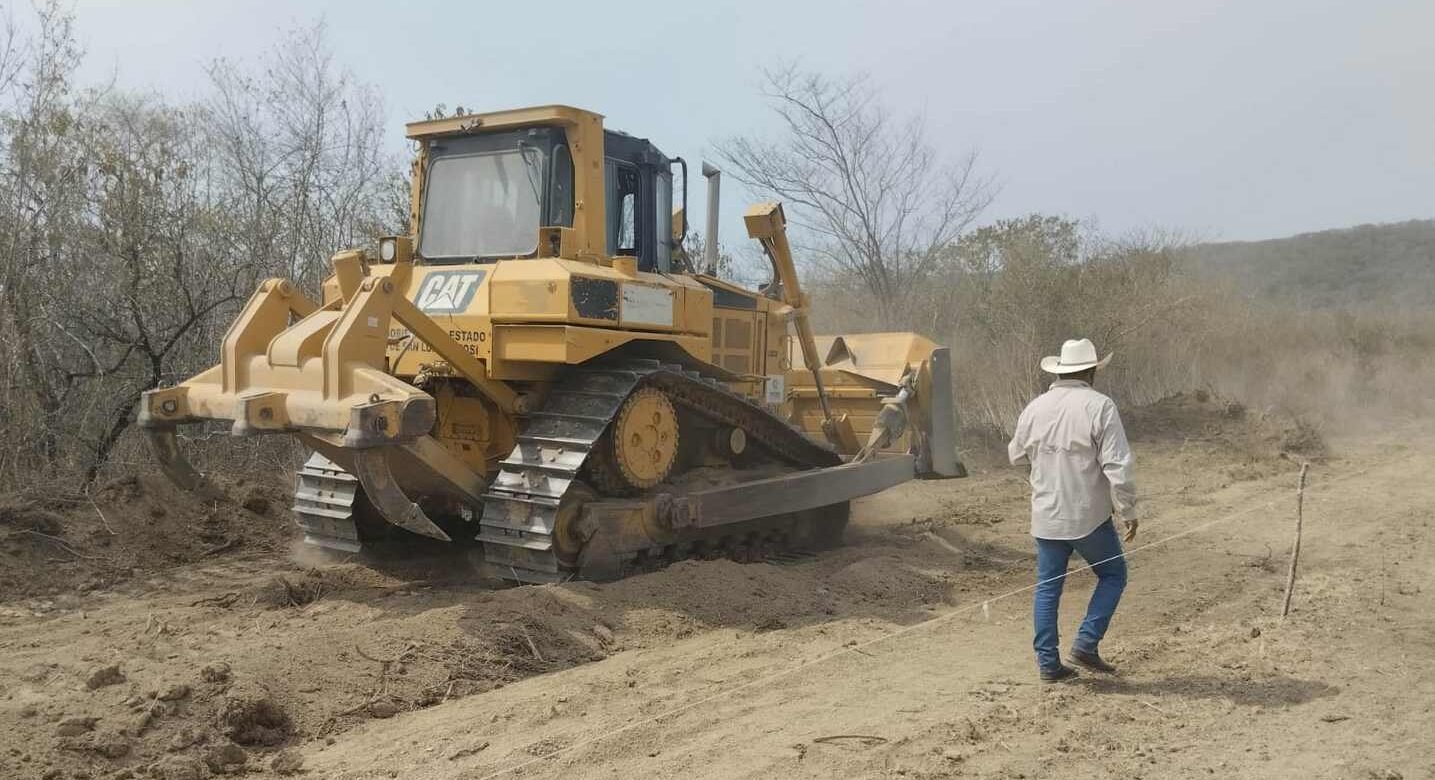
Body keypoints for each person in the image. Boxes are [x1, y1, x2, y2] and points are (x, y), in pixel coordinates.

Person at [1008, 338, 1137, 683]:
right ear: (1092, 371)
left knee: (1048, 587)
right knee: (1113, 575)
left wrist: (1042, 472)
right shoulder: (1099, 406)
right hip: (1087, 515)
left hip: (1046, 513)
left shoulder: (1035, 407)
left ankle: (1049, 664)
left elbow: (1015, 455)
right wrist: (1128, 509)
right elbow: (1117, 466)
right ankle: (1086, 643)